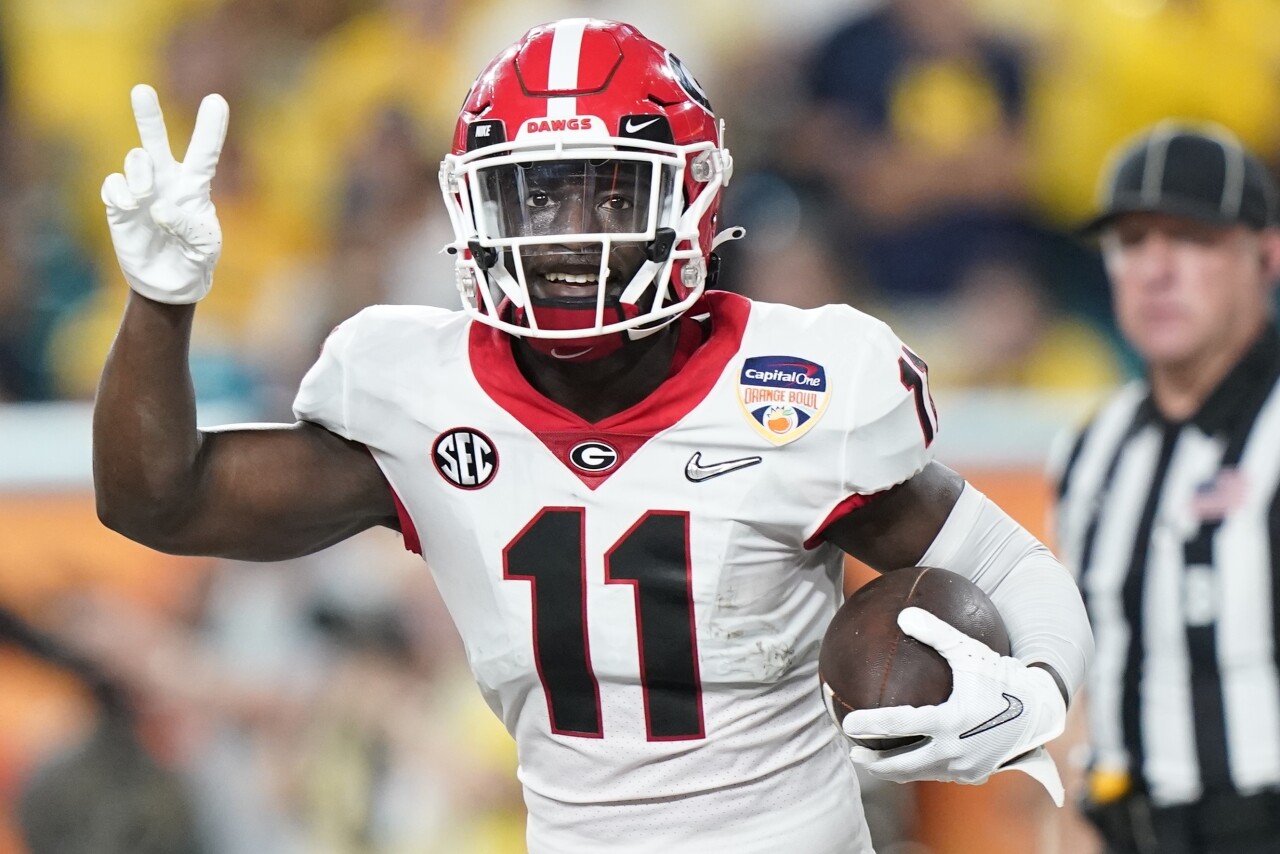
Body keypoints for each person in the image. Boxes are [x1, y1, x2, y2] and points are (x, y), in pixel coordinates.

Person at [94, 18, 1092, 853]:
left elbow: (1010, 563)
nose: (570, 230)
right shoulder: (418, 394)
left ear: (693, 196)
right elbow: (156, 498)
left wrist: (1032, 694)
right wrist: (159, 302)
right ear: (475, 203)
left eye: (609, 189)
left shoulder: (792, 386)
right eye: (537, 192)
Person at [1054, 121, 1280, 854]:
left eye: (1190, 237)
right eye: (1131, 240)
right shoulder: (1093, 447)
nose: (1154, 268)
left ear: (1266, 255)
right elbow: (1090, 669)